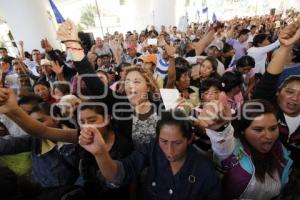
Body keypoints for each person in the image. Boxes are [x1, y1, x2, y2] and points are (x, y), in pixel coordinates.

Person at [78, 109, 222, 200]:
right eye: (164, 141)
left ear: (190, 139)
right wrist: (100, 153)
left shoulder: (205, 171)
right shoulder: (152, 149)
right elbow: (120, 174)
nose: (169, 151)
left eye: (177, 143)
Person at [199, 99, 292, 200]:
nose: (269, 136)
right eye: (258, 130)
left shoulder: (280, 151)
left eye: (273, 128)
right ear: (243, 130)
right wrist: (219, 128)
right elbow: (222, 142)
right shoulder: (232, 150)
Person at [253, 20, 300, 169]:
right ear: (278, 92)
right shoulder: (268, 110)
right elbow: (268, 83)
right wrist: (285, 47)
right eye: (290, 92)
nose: (295, 98)